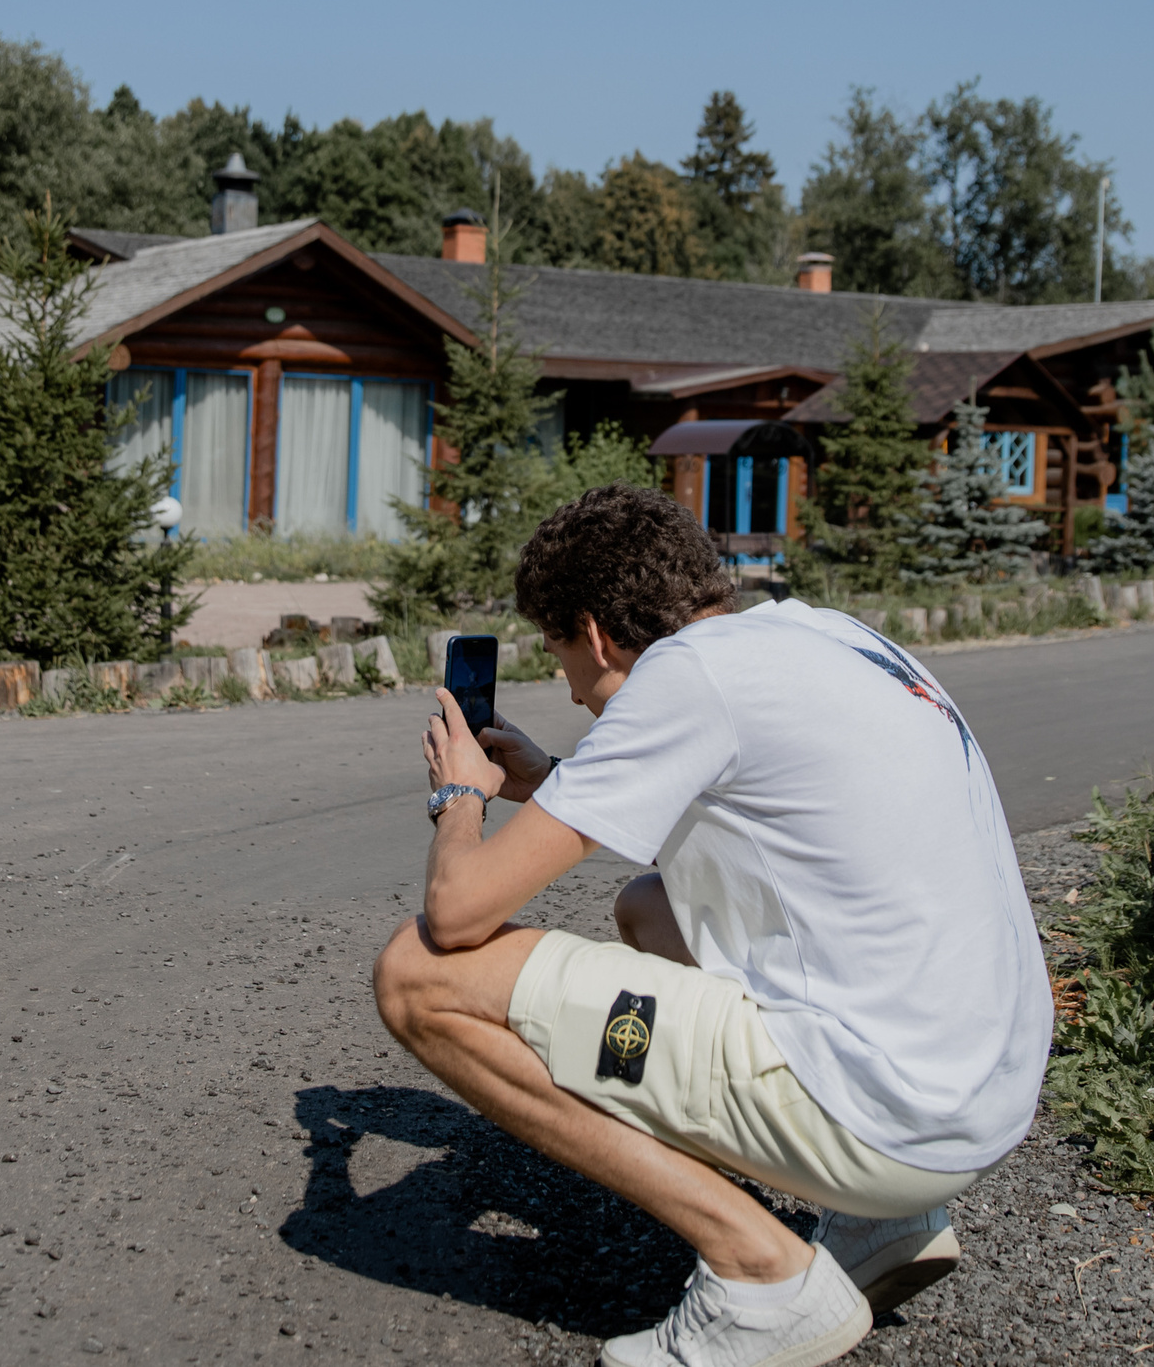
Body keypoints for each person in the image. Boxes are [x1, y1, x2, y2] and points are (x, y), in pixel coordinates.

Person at [374, 485, 1052, 1367]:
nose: (571, 690)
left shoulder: (684, 679)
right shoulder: (815, 633)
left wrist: (460, 793)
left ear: (594, 633)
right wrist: (548, 777)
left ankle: (761, 1271)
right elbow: (740, 796)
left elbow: (459, 913)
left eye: (557, 654)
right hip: (978, 1090)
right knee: (647, 907)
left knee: (418, 978)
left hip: (897, 1115)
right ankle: (882, 1220)